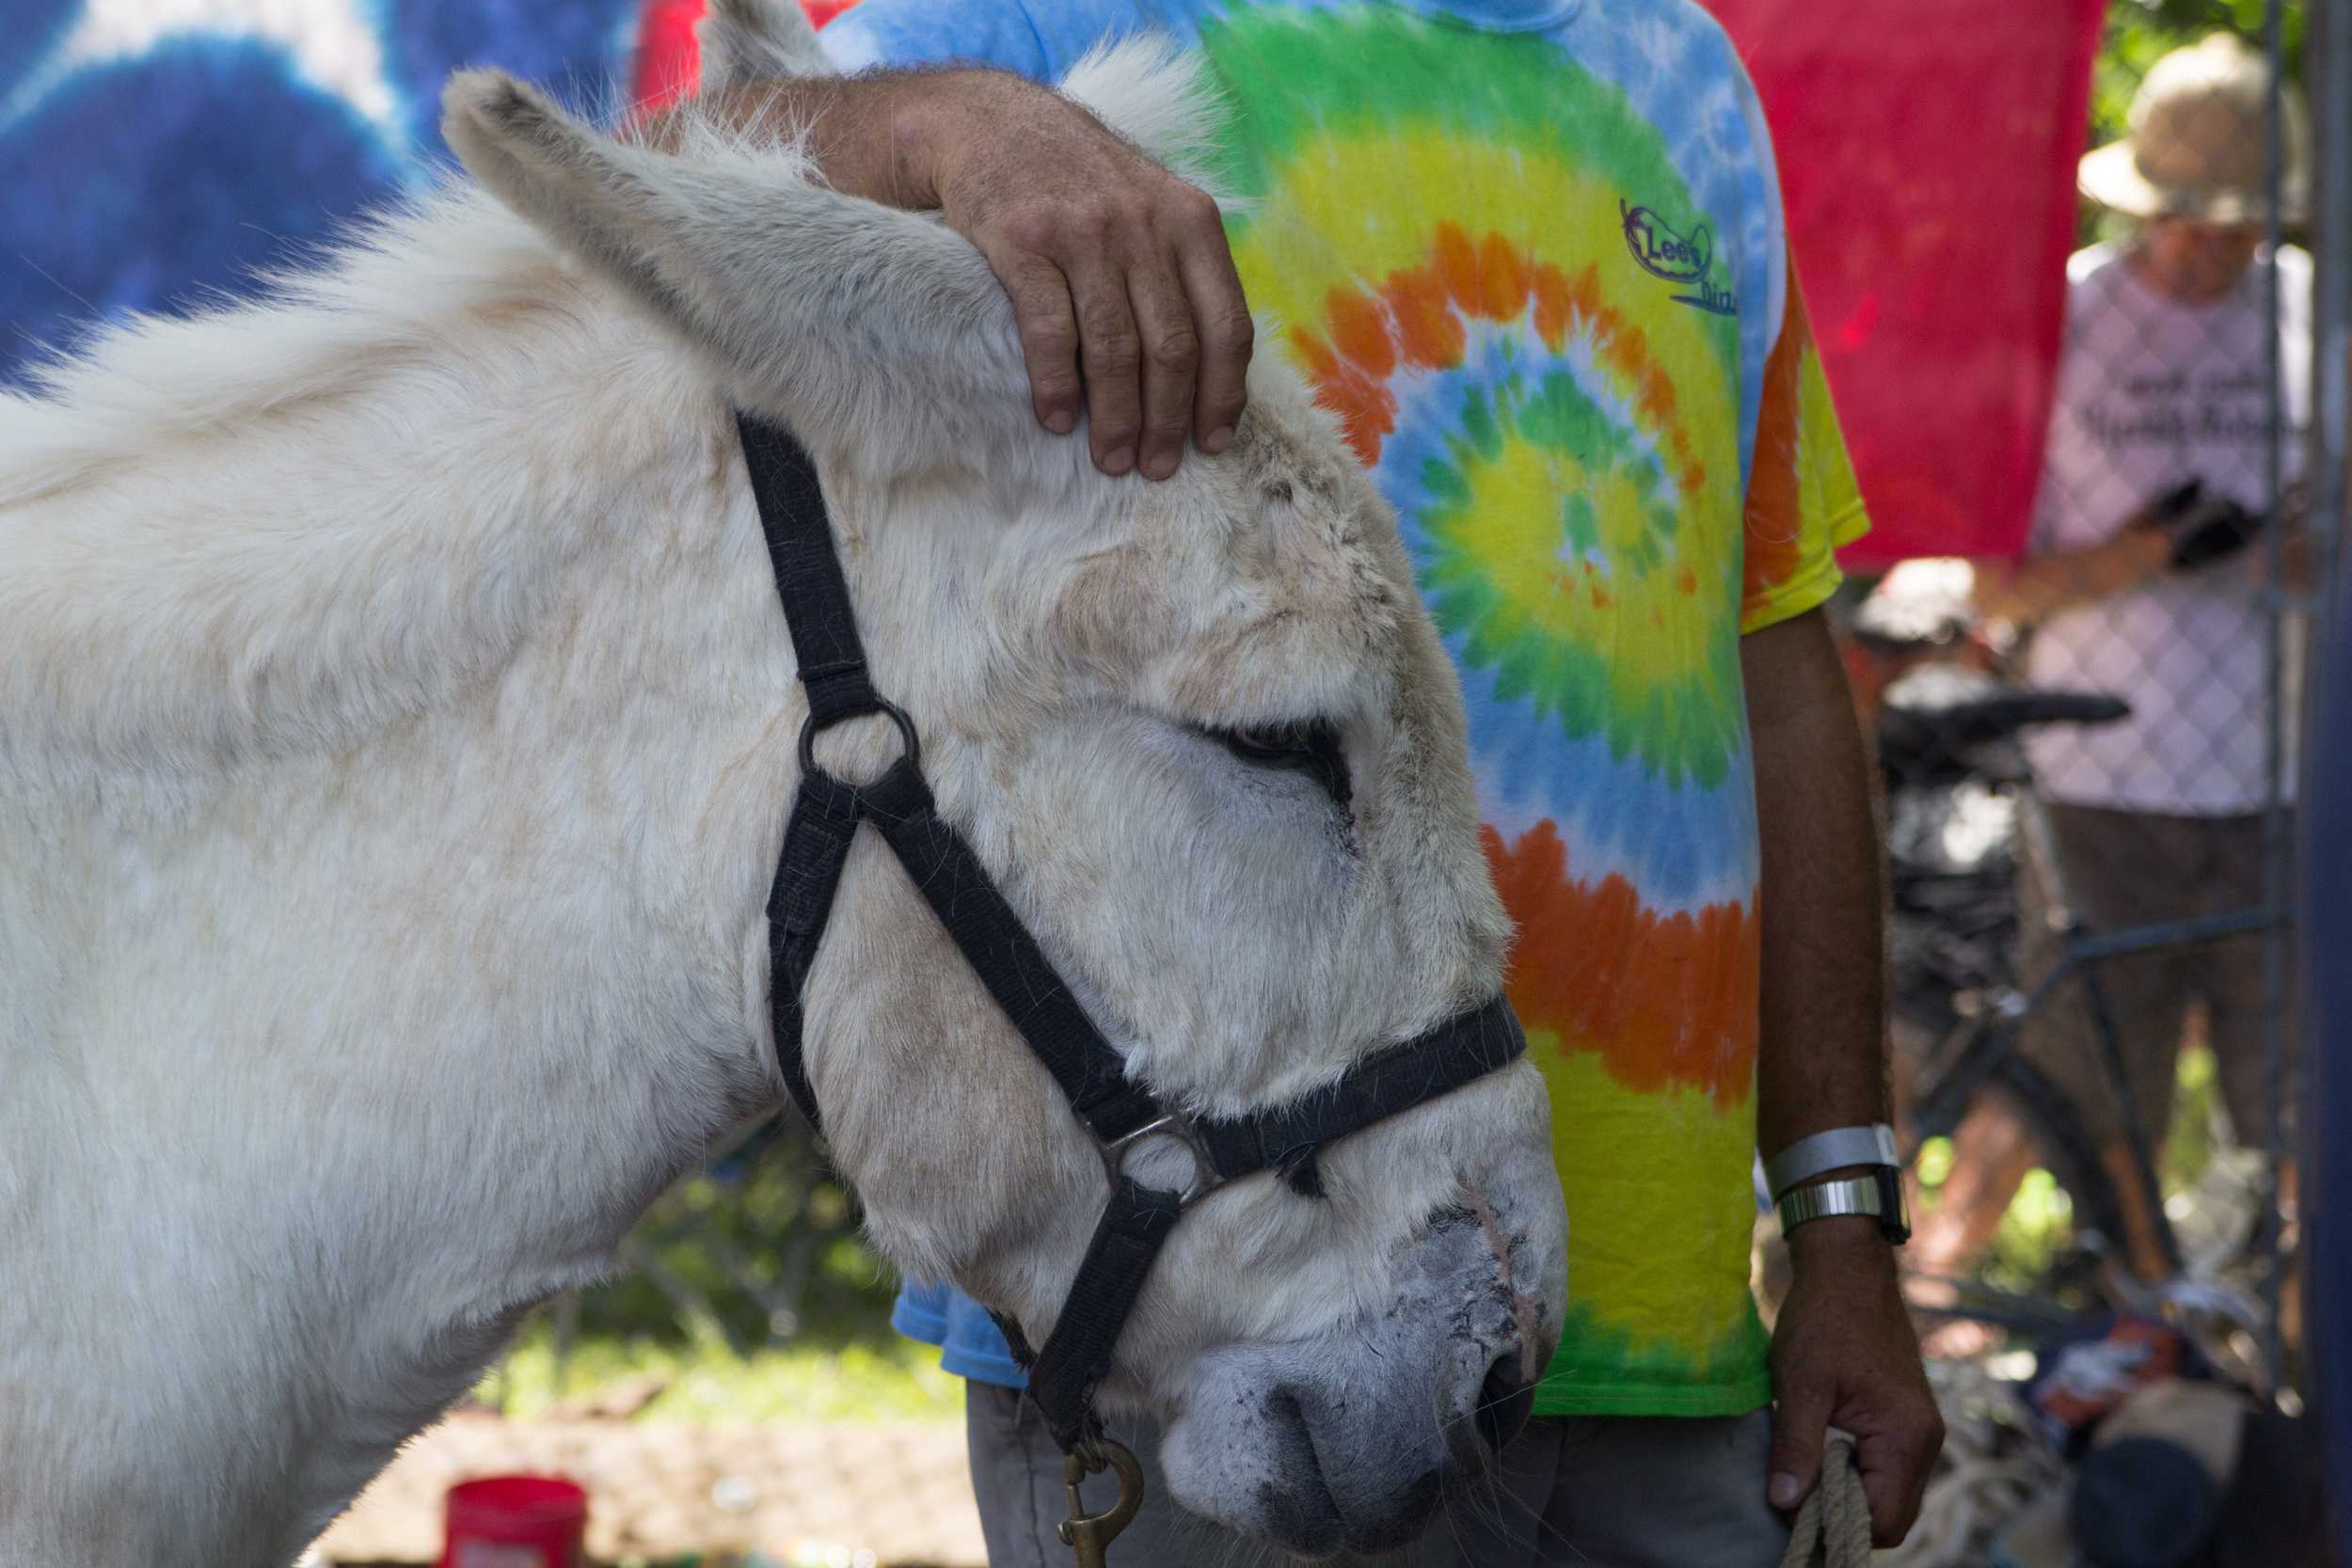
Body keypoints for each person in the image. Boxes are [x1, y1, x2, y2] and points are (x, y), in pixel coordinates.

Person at [711, 0, 1942, 1560]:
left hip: (1668, 1337)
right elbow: (678, 176)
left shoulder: (1687, 72)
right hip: (1234, 1323)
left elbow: (1771, 665)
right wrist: (951, 121)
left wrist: (1844, 1231)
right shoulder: (1055, 14)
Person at [1934, 33, 2311, 1285]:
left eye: (2237, 222)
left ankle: (2278, 1339)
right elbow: (1991, 580)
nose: (2209, 247)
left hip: (2279, 772)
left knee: (2297, 1093)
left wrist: (2295, 546)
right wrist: (2149, 548)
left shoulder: (2309, 317)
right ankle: (2022, 1308)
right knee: (2092, 1085)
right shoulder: (2071, 323)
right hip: (2104, 774)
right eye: (2183, 219)